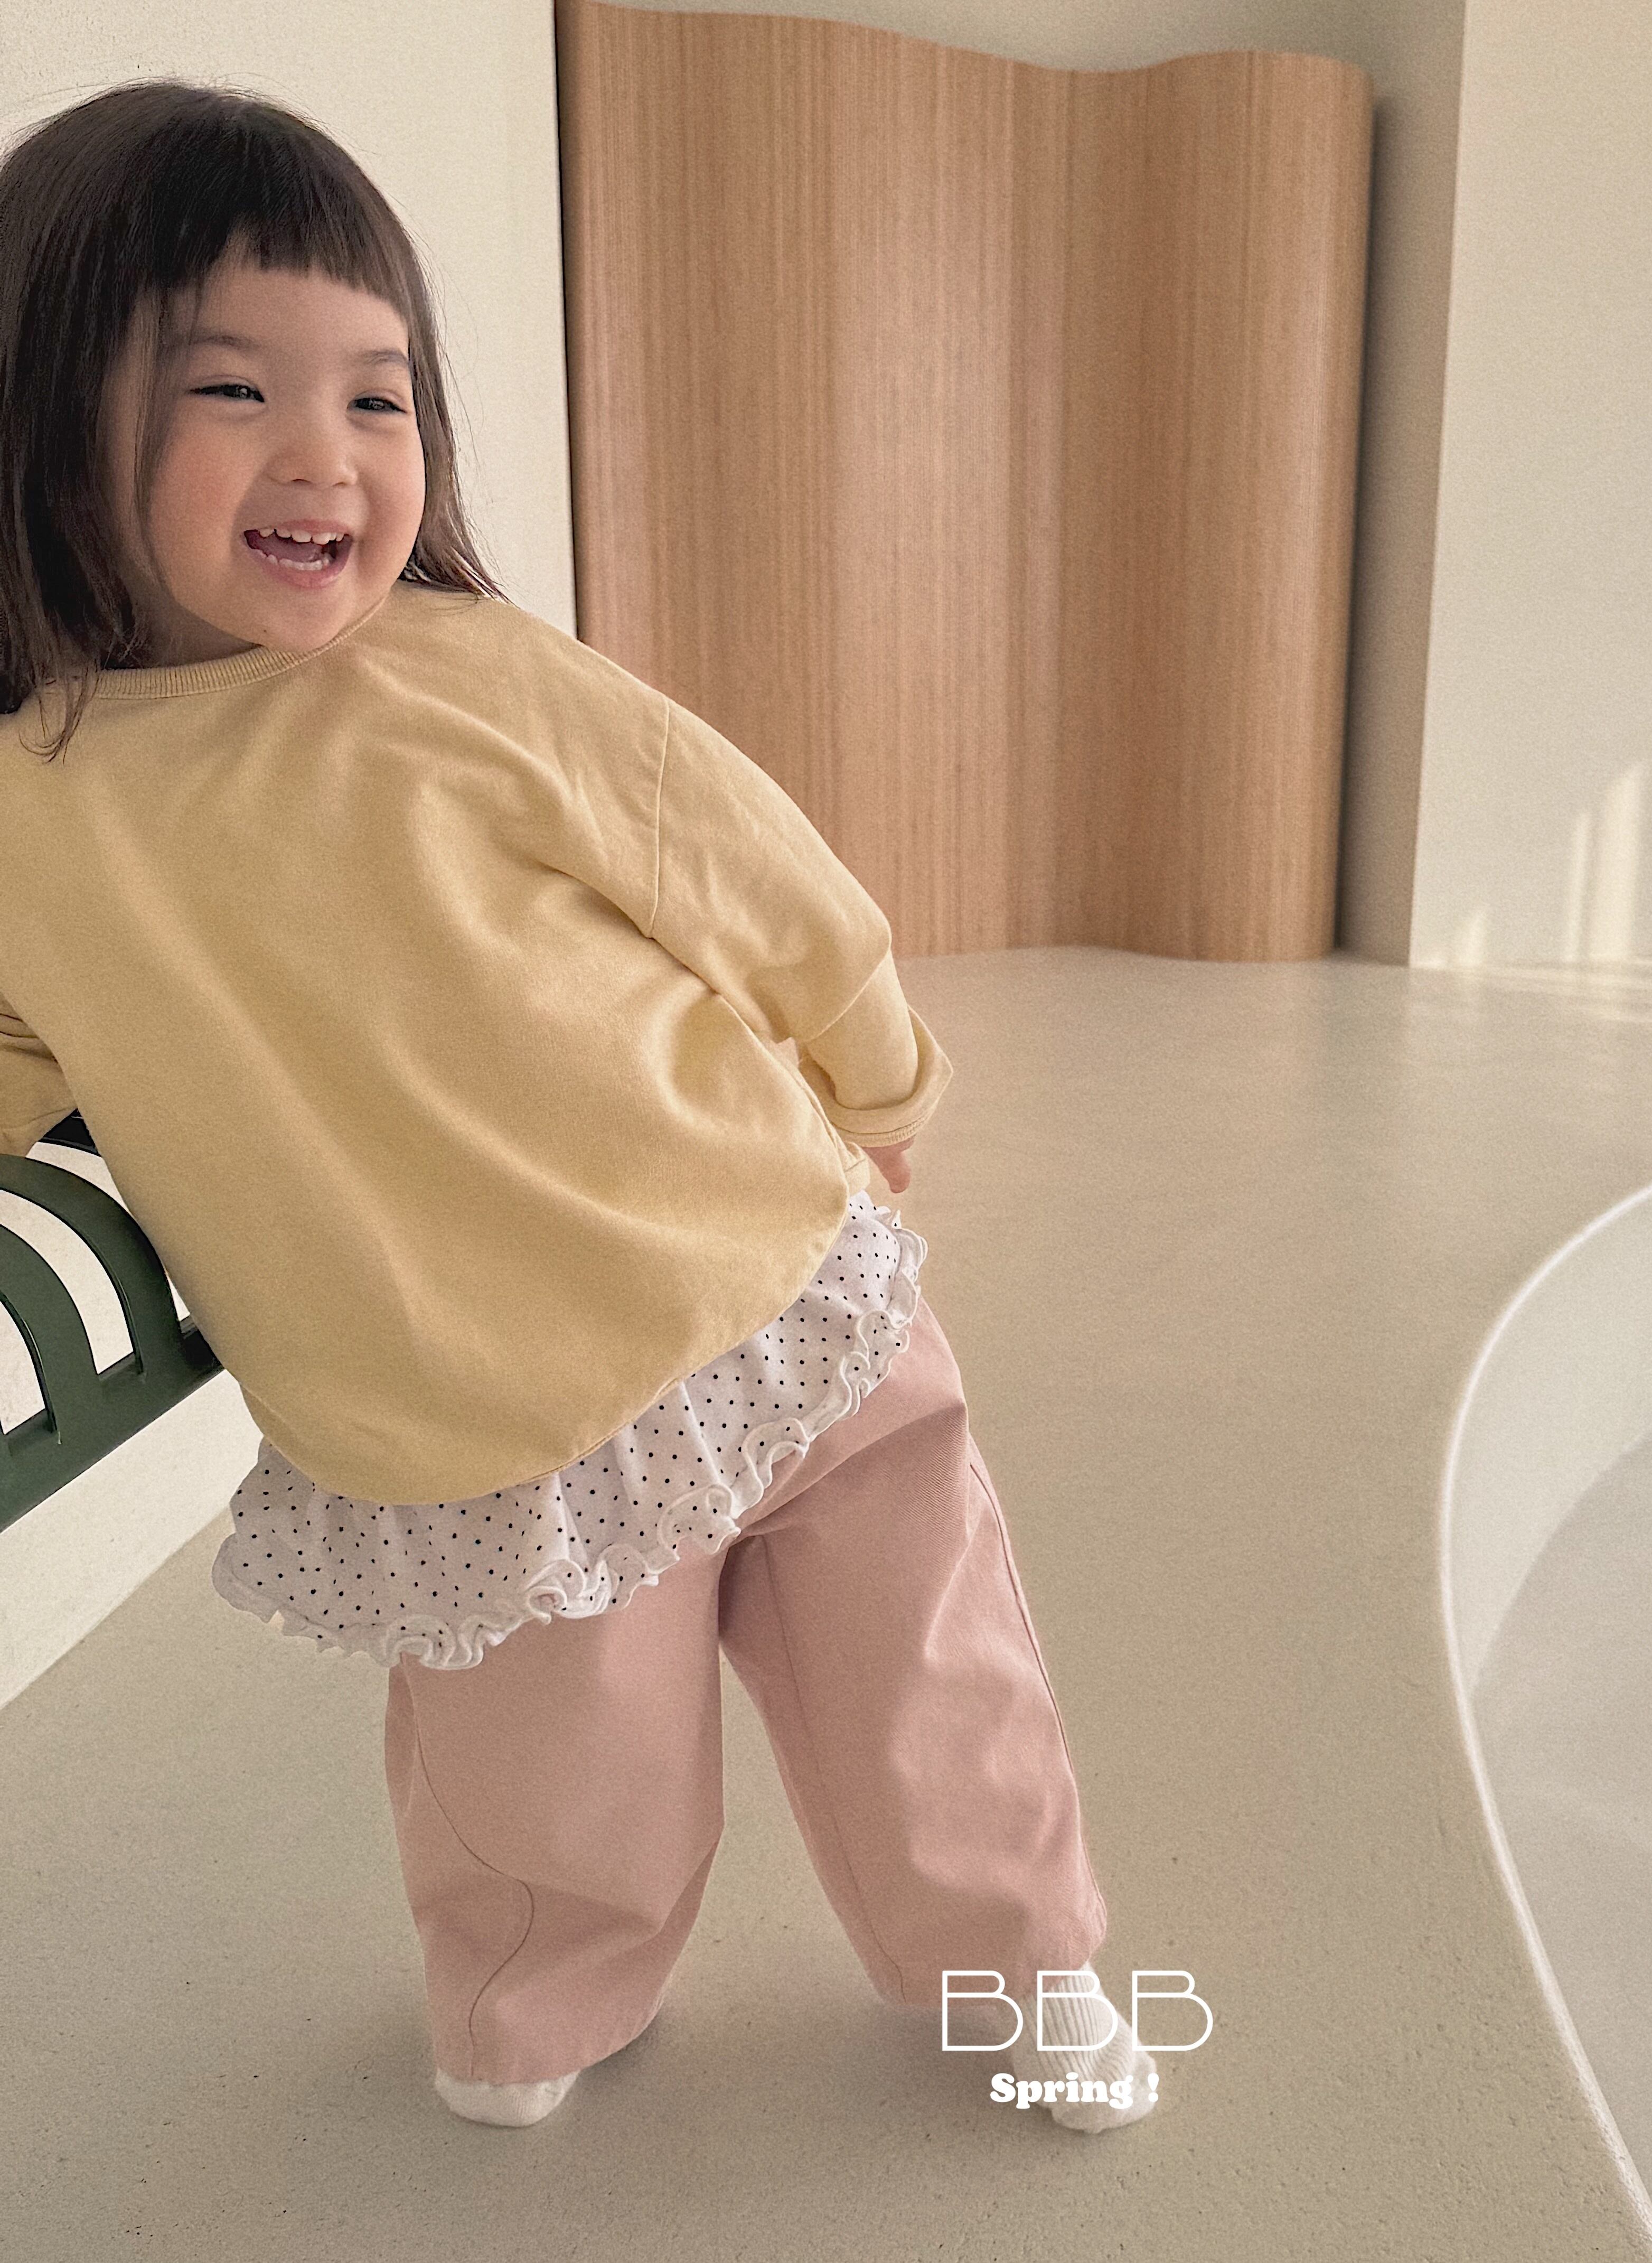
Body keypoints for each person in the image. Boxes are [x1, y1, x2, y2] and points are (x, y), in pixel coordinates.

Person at [0, 80, 1154, 2134]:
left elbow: (748, 866)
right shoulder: (36, 807)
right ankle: (538, 2007)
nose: (328, 456)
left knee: (933, 1682)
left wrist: (878, 1073)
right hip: (471, 1428)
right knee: (545, 1788)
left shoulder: (472, 675)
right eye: (234, 388)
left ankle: (1025, 1967)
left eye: (377, 397)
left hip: (773, 1290)